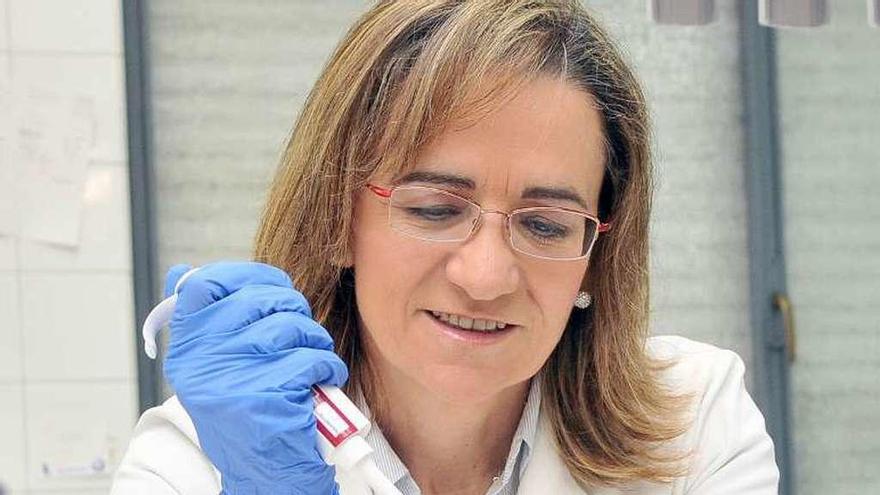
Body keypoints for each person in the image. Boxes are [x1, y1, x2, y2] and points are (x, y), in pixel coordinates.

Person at [111, 1, 780, 494]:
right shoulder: (194, 464)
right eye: (434, 209)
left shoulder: (695, 425)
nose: (486, 276)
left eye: (546, 224)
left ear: (597, 256)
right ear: (336, 218)